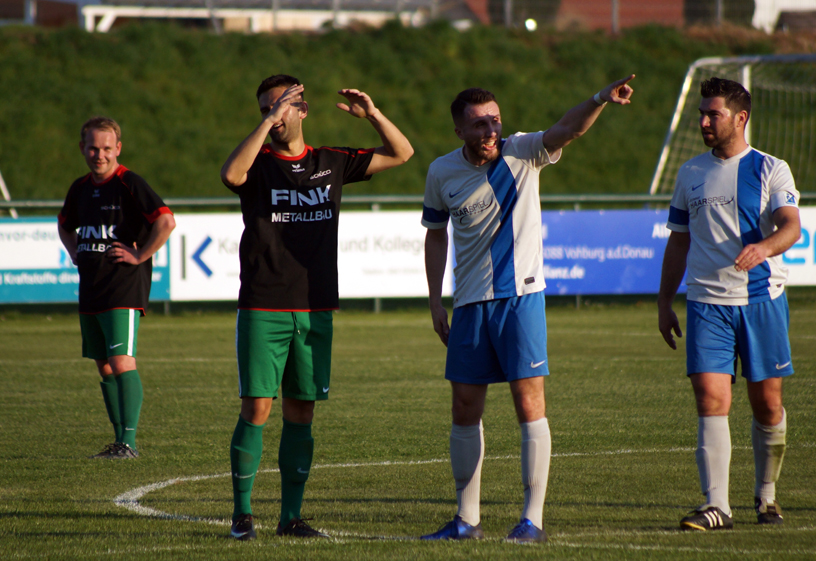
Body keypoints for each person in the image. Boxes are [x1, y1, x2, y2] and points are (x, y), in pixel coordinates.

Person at [421, 76, 635, 543]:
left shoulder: (522, 151)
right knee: (463, 407)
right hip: (470, 303)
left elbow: (568, 130)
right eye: (479, 124)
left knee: (528, 402)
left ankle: (531, 521)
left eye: (494, 121)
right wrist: (435, 300)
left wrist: (599, 98)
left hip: (521, 297)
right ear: (459, 131)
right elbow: (435, 235)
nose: (490, 131)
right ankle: (466, 520)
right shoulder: (441, 172)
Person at [220, 74, 413, 541]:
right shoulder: (257, 163)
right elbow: (231, 176)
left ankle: (291, 517)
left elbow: (402, 153)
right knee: (257, 407)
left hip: (315, 306)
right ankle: (242, 515)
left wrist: (373, 115)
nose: (274, 115)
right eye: (266, 108)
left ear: (303, 110)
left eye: (282, 106)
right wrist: (267, 121)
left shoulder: (331, 161)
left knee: (301, 412)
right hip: (264, 303)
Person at [658, 77, 801, 531]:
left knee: (767, 405)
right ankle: (716, 505)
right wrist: (664, 301)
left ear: (740, 118)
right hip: (706, 303)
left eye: (712, 114)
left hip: (760, 300)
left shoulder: (771, 168)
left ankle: (766, 495)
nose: (703, 121)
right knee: (710, 398)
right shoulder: (690, 173)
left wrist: (764, 248)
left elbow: (791, 226)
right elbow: (678, 242)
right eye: (701, 113)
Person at [58, 116, 176, 460]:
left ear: (118, 148)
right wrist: (73, 250)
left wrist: (140, 254)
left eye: (107, 148)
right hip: (91, 288)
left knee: (122, 361)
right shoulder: (80, 188)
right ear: (82, 148)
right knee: (105, 366)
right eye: (93, 148)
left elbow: (166, 221)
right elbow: (64, 224)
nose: (100, 155)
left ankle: (128, 442)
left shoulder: (129, 183)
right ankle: (118, 441)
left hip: (123, 286)